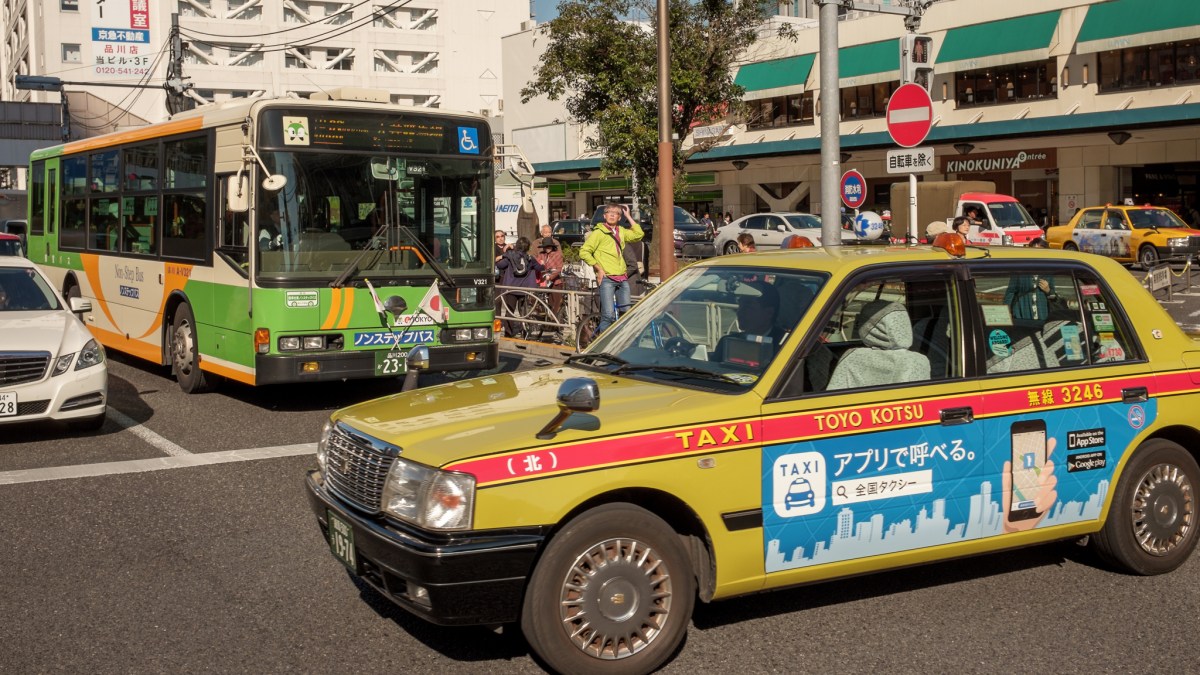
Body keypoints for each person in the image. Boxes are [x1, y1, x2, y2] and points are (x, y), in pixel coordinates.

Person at [579, 203, 645, 334]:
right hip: (607, 279)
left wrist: (628, 215)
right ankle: (603, 345)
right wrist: (598, 269)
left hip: (622, 278)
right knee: (608, 315)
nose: (612, 215)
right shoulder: (598, 233)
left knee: (626, 314)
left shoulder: (621, 231)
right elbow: (584, 252)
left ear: (619, 217)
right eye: (609, 212)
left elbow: (639, 234)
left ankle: (619, 341)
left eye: (616, 213)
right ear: (604, 216)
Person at [496, 236, 544, 339]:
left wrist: (501, 257)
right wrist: (543, 264)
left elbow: (500, 265)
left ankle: (508, 334)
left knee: (510, 312)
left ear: (517, 246)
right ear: (527, 247)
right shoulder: (530, 259)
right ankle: (524, 333)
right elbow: (539, 268)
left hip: (511, 288)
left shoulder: (510, 257)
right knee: (524, 312)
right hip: (524, 289)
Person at [536, 237, 565, 341]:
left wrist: (551, 276)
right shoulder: (542, 254)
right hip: (544, 282)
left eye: (548, 247)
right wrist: (540, 264)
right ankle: (546, 324)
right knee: (544, 305)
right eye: (545, 247)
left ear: (552, 246)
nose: (547, 249)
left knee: (555, 305)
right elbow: (537, 263)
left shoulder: (557, 255)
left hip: (555, 282)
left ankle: (556, 326)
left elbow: (559, 269)